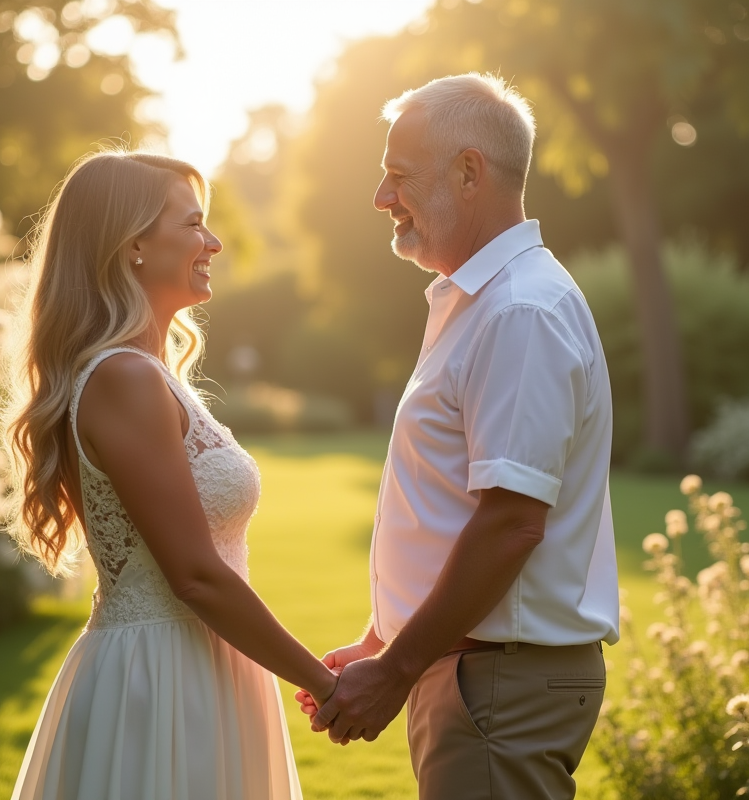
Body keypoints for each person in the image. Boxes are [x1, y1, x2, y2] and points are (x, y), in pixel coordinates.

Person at [297, 73, 620, 800]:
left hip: (499, 680)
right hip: (480, 671)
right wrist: (385, 642)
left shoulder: (518, 313)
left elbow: (510, 525)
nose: (382, 199)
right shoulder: (478, 303)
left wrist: (398, 668)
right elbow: (456, 504)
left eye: (399, 176)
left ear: (469, 171)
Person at [0, 150, 336, 800]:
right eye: (192, 225)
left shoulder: (154, 377)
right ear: (134, 247)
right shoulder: (123, 379)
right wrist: (324, 685)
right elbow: (195, 574)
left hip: (209, 665)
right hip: (159, 679)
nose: (213, 242)